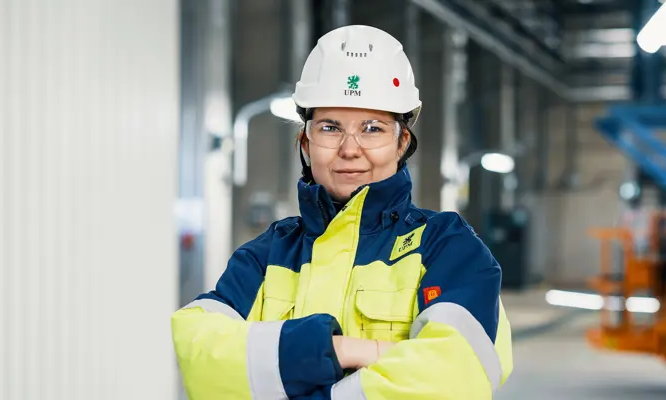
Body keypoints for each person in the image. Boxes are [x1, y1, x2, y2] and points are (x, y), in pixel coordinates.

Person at [171, 25, 513, 400]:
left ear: (401, 142)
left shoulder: (446, 247)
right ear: (306, 142)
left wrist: (284, 366)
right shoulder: (266, 255)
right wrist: (341, 350)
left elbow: (455, 376)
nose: (350, 149)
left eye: (372, 129)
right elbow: (199, 352)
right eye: (330, 128)